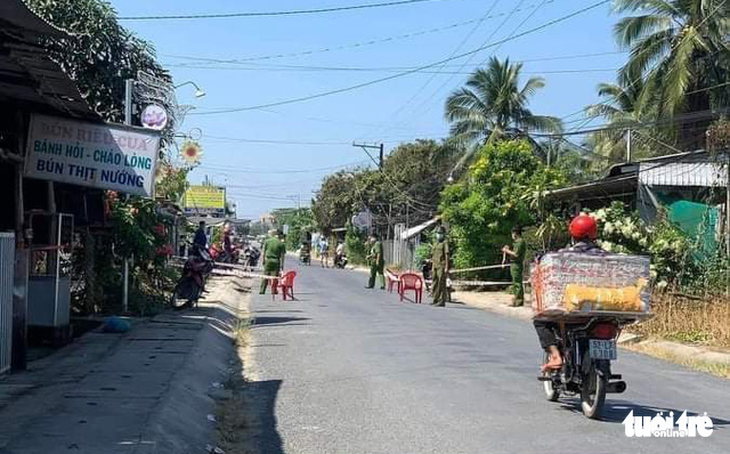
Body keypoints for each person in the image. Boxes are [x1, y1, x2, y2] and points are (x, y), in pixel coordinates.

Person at [533, 214, 604, 371]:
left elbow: (547, 262)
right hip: (602, 309)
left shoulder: (564, 255)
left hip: (573, 309)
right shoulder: (607, 256)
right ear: (594, 233)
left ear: (573, 234)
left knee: (540, 320)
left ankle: (556, 356)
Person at [502, 226, 527, 307]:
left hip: (517, 264)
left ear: (515, 233)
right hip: (513, 263)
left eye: (512, 233)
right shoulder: (516, 242)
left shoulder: (520, 242)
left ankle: (518, 300)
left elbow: (516, 254)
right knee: (515, 282)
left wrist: (507, 251)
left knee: (517, 283)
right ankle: (516, 298)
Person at [260, 229, 286, 295]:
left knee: (265, 275)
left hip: (268, 260)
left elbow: (263, 252)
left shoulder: (267, 241)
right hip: (276, 261)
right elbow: (282, 256)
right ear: (280, 235)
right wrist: (282, 265)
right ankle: (273, 290)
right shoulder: (281, 243)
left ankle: (262, 290)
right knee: (274, 277)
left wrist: (263, 260)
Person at [430, 228, 449, 307]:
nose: (439, 234)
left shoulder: (445, 243)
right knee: (434, 282)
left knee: (441, 283)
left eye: (440, 233)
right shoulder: (435, 243)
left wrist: (446, 267)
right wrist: (431, 265)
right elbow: (432, 255)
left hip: (441, 265)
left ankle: (442, 301)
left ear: (443, 234)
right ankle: (435, 299)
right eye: (438, 233)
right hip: (435, 265)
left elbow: (447, 255)